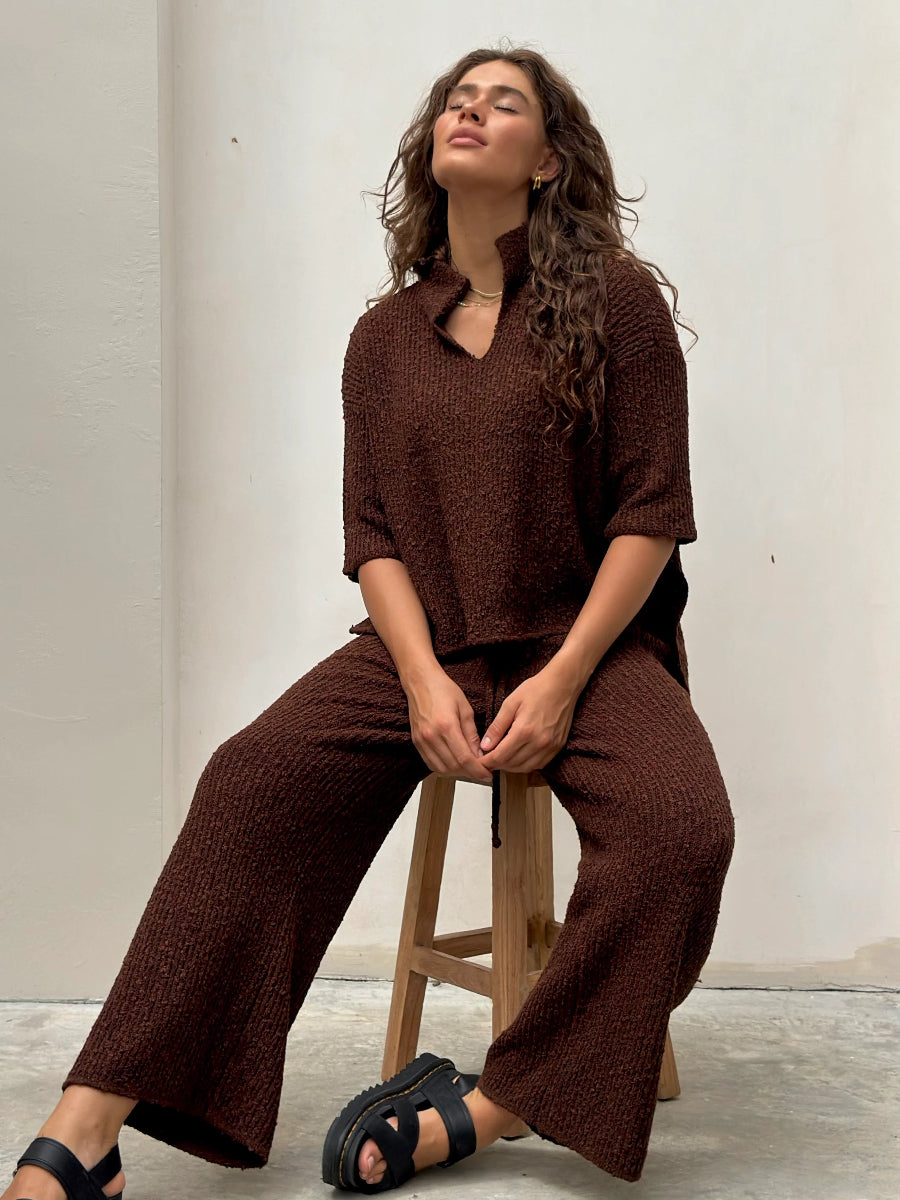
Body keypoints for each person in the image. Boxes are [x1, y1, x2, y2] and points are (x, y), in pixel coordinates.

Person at [4, 44, 735, 1200]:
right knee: (248, 781)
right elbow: (374, 535)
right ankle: (87, 1127)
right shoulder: (384, 339)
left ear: (548, 161)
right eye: (457, 99)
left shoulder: (618, 303)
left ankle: (498, 1101)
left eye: (503, 103)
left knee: (683, 828)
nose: (469, 111)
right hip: (422, 650)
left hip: (585, 650)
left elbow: (652, 516)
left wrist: (564, 677)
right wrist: (421, 677)